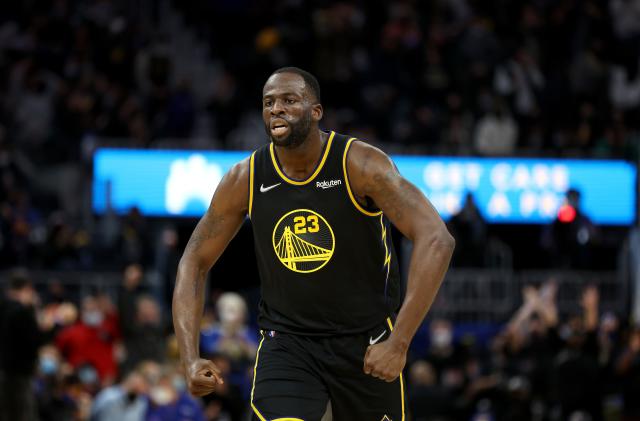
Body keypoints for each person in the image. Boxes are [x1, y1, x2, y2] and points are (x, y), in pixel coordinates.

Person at [172, 66, 455, 420]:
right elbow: (193, 261)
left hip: (366, 342)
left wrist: (399, 341)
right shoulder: (245, 178)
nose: (276, 109)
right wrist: (190, 357)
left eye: (289, 100)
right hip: (287, 342)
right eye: (268, 102)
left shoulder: (359, 164)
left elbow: (436, 239)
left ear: (316, 111)